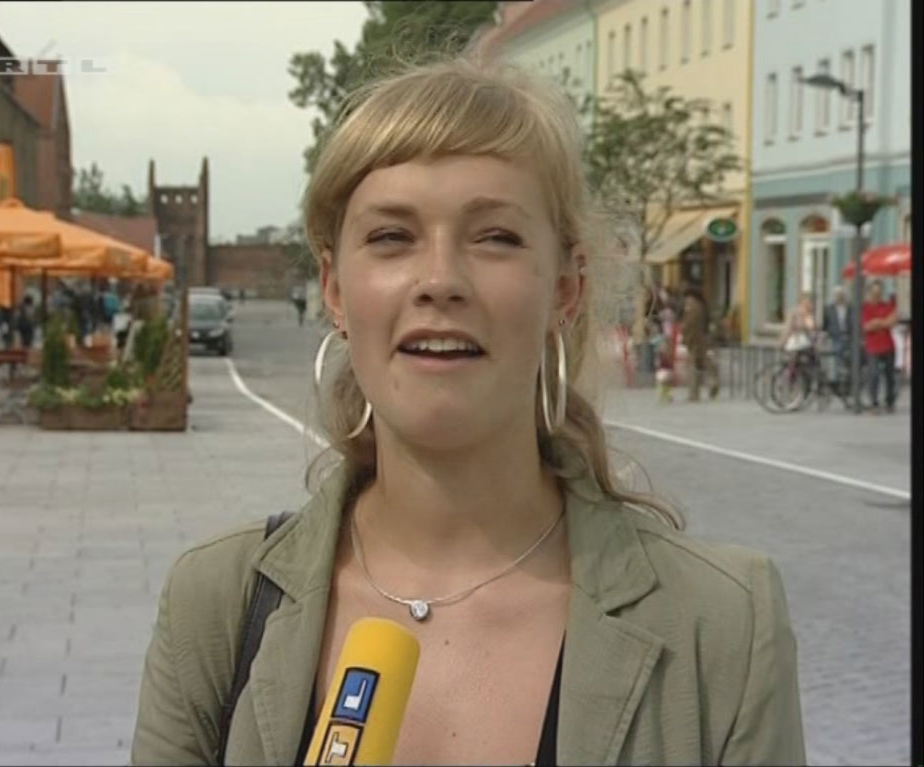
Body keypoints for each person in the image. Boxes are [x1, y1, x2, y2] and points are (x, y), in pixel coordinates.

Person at [132, 57, 805, 766]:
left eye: (495, 237)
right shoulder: (217, 603)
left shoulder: (723, 625)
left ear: (566, 289)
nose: (440, 280)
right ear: (334, 289)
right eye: (391, 237)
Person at [862, 279, 898, 413]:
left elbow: (892, 321)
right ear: (869, 293)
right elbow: (866, 327)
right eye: (874, 293)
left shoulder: (887, 306)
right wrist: (883, 322)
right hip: (872, 347)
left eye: (879, 293)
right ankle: (874, 402)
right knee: (874, 374)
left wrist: (877, 323)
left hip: (888, 345)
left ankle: (889, 402)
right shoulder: (865, 308)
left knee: (890, 375)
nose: (877, 296)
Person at [680, 287, 711, 402]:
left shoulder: (691, 305)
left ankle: (693, 393)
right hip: (701, 338)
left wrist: (685, 334)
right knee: (701, 364)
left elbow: (689, 323)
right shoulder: (701, 305)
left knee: (693, 367)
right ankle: (712, 382)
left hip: (693, 339)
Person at [821, 285, 852, 383]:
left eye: (840, 295)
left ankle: (847, 377)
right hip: (836, 336)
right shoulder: (829, 309)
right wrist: (826, 334)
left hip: (848, 336)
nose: (839, 297)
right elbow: (825, 324)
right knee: (837, 356)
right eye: (837, 295)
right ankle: (837, 378)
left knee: (848, 358)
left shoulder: (849, 308)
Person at [780, 292, 817, 356]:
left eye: (810, 302)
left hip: (809, 346)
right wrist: (782, 342)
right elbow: (788, 328)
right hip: (796, 344)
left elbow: (814, 331)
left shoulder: (811, 315)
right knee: (795, 358)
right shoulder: (794, 313)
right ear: (801, 302)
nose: (809, 304)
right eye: (806, 301)